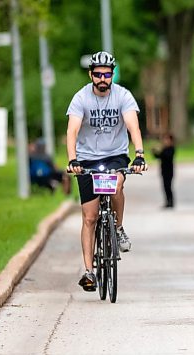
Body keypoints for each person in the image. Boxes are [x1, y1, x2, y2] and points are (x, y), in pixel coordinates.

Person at [66, 51, 147, 292]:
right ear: (91, 75)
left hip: (115, 156)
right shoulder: (81, 98)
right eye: (98, 74)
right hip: (87, 160)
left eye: (108, 74)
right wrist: (72, 160)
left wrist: (139, 153)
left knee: (117, 185)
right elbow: (72, 131)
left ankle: (118, 228)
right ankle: (89, 271)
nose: (103, 78)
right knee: (90, 217)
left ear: (113, 75)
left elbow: (133, 125)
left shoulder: (123, 96)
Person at [152, 133, 176, 208]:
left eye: (167, 139)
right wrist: (154, 151)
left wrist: (160, 150)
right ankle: (167, 201)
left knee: (168, 186)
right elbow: (158, 156)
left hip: (169, 171)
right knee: (165, 187)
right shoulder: (164, 149)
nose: (165, 141)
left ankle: (171, 202)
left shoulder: (171, 149)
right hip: (163, 170)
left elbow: (166, 156)